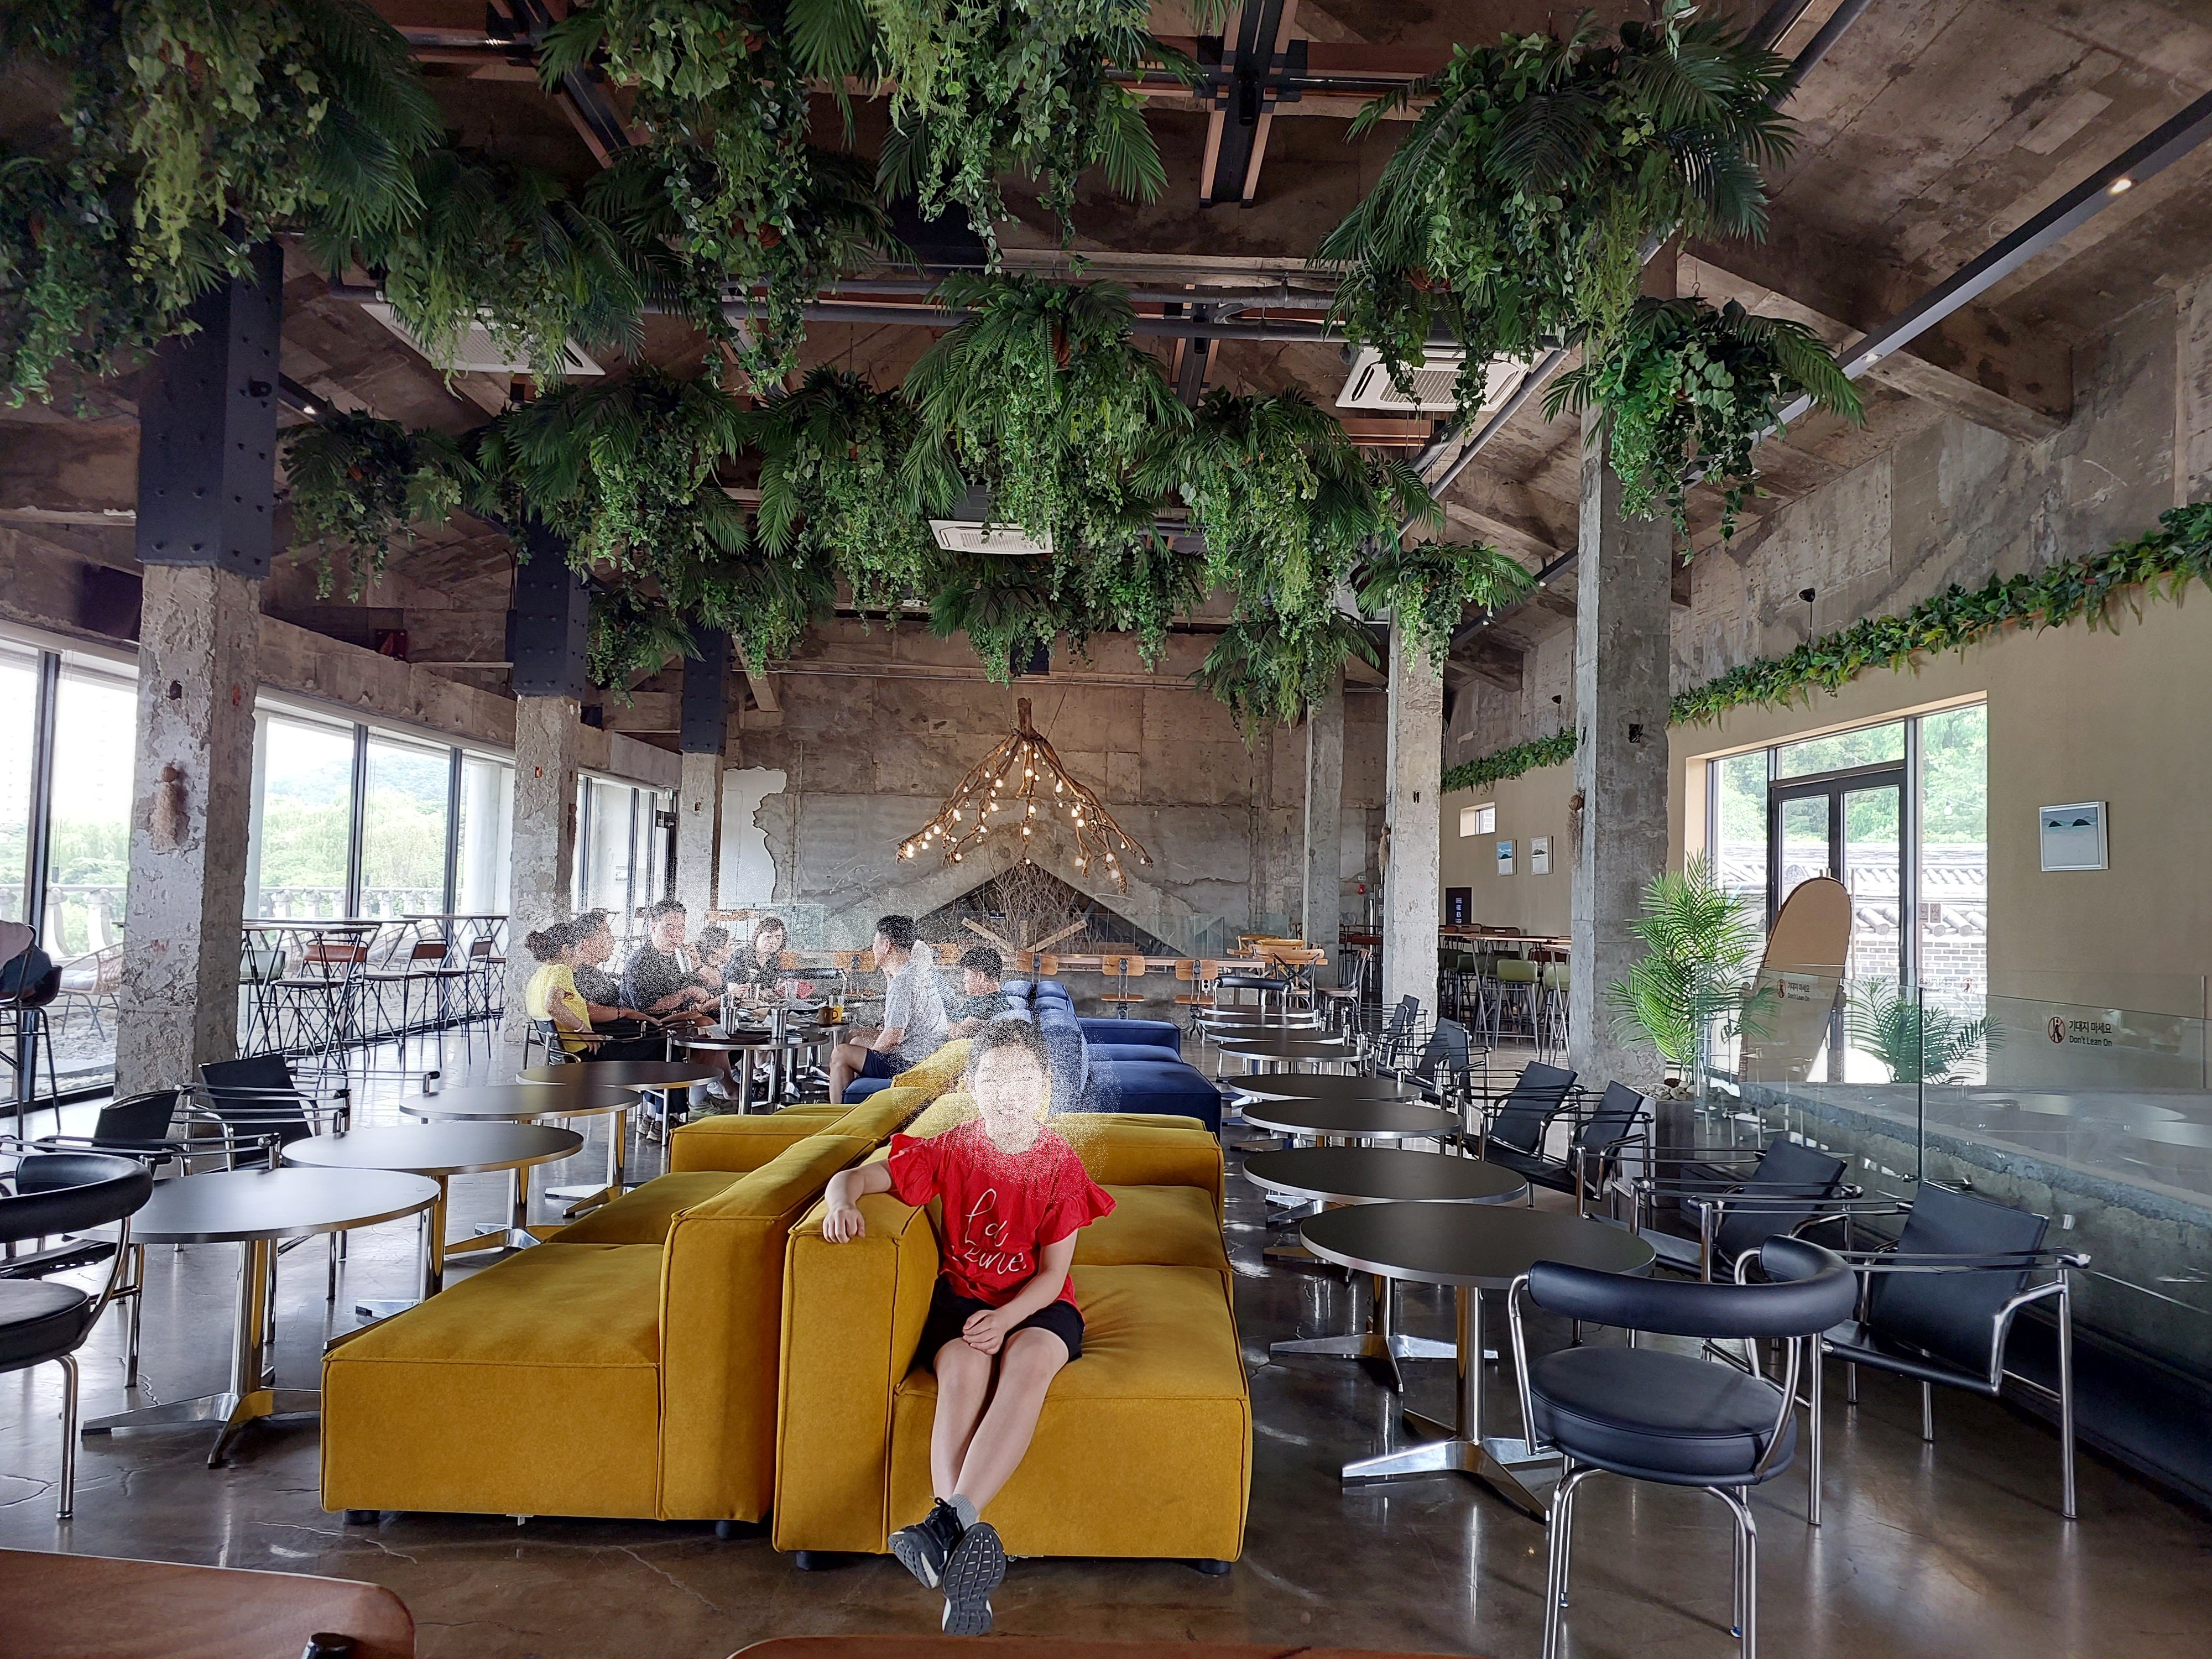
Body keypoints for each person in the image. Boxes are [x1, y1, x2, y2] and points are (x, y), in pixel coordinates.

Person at [820, 1019, 1113, 1635]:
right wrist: (842, 1202)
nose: (1008, 1092)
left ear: (1045, 1085)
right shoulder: (951, 1148)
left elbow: (1052, 1276)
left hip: (1035, 1306)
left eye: (1023, 1078)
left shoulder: (1059, 1163)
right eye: (993, 1078)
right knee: (961, 1369)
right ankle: (957, 1548)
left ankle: (943, 1526)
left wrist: (1006, 1318)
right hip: (962, 1303)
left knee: (1029, 1361)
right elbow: (856, 1177)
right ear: (970, 1087)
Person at [828, 914, 949, 1103]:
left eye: (875, 943)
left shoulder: (903, 983)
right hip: (928, 1054)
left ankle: (839, 1113)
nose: (872, 949)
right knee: (856, 1038)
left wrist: (870, 1060)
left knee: (840, 1053)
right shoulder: (915, 973)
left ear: (886, 946)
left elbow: (893, 1038)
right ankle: (852, 1099)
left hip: (912, 1064)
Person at [521, 919, 668, 1062]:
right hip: (585, 1053)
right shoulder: (562, 970)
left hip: (564, 1053)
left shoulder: (538, 976)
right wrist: (585, 1031)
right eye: (579, 949)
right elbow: (552, 1005)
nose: (580, 957)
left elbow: (556, 1005)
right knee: (663, 1044)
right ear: (566, 951)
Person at [622, 898, 717, 1022]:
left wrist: (697, 964)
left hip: (676, 1022)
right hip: (646, 1025)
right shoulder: (640, 961)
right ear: (654, 928)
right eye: (670, 928)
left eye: (681, 928)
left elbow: (716, 984)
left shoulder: (681, 957)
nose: (676, 934)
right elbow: (645, 1009)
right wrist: (686, 993)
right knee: (702, 1020)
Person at [945, 946, 1009, 1038]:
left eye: (967, 974)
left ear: (980, 977)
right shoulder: (990, 1000)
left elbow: (954, 1034)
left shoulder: (986, 1008)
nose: (964, 980)